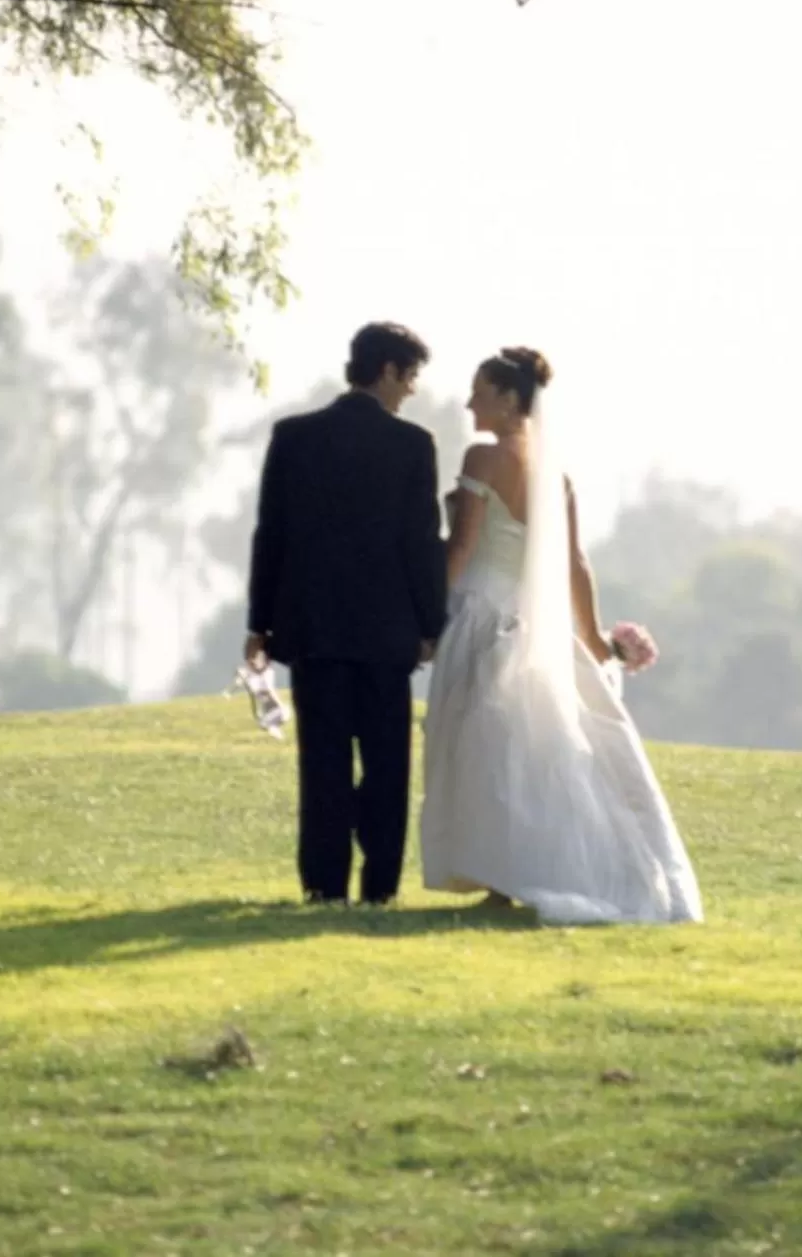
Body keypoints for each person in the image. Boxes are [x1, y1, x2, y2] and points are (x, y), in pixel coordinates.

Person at [419, 347, 703, 925]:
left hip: (481, 612)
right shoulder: (556, 476)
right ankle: (513, 871)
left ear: (506, 399)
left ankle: (507, 871)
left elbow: (465, 545)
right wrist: (595, 640)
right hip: (535, 623)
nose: (469, 401)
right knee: (524, 745)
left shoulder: (483, 456)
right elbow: (574, 563)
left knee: (481, 747)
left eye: (480, 390)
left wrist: (428, 616)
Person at [245, 322, 447, 905]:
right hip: (387, 632)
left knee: (323, 763)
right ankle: (378, 886)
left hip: (312, 628)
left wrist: (259, 624)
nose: (411, 390)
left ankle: (323, 884)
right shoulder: (413, 446)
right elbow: (420, 542)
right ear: (386, 370)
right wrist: (431, 624)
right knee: (387, 765)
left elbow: (271, 535)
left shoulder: (293, 437)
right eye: (409, 376)